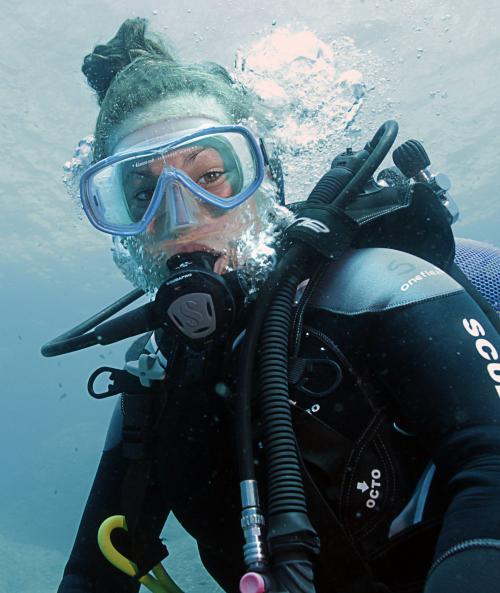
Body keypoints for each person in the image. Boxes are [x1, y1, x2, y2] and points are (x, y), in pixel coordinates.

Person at [56, 18, 500, 593]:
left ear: (264, 179)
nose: (181, 215)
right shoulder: (156, 382)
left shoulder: (376, 291)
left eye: (211, 176)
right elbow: (91, 572)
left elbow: (490, 461)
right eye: (143, 194)